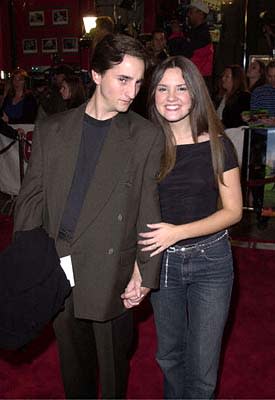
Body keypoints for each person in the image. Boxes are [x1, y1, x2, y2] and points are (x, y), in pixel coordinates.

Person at [13, 33, 164, 399]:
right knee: (74, 369)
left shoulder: (145, 136)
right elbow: (31, 199)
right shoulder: (53, 128)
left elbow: (148, 208)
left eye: (139, 82)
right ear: (96, 75)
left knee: (113, 369)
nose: (132, 92)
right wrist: (29, 260)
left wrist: (145, 272)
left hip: (111, 269)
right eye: (122, 79)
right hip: (58, 265)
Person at [138, 56, 242, 399]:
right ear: (152, 95)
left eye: (182, 88)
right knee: (169, 356)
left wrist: (176, 232)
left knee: (202, 367)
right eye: (163, 88)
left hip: (211, 262)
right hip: (162, 263)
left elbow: (233, 212)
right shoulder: (145, 147)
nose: (172, 96)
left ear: (195, 93)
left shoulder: (217, 143)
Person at [168, 0, 213, 83]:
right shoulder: (194, 32)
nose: (188, 15)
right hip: (195, 77)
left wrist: (176, 34)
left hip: (198, 79)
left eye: (191, 12)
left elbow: (182, 53)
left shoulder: (202, 35)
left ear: (200, 14)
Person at [217, 64, 251, 129]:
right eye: (223, 76)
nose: (223, 78)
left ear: (236, 79)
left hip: (235, 136)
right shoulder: (222, 96)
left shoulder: (244, 97)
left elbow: (238, 120)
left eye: (227, 76)